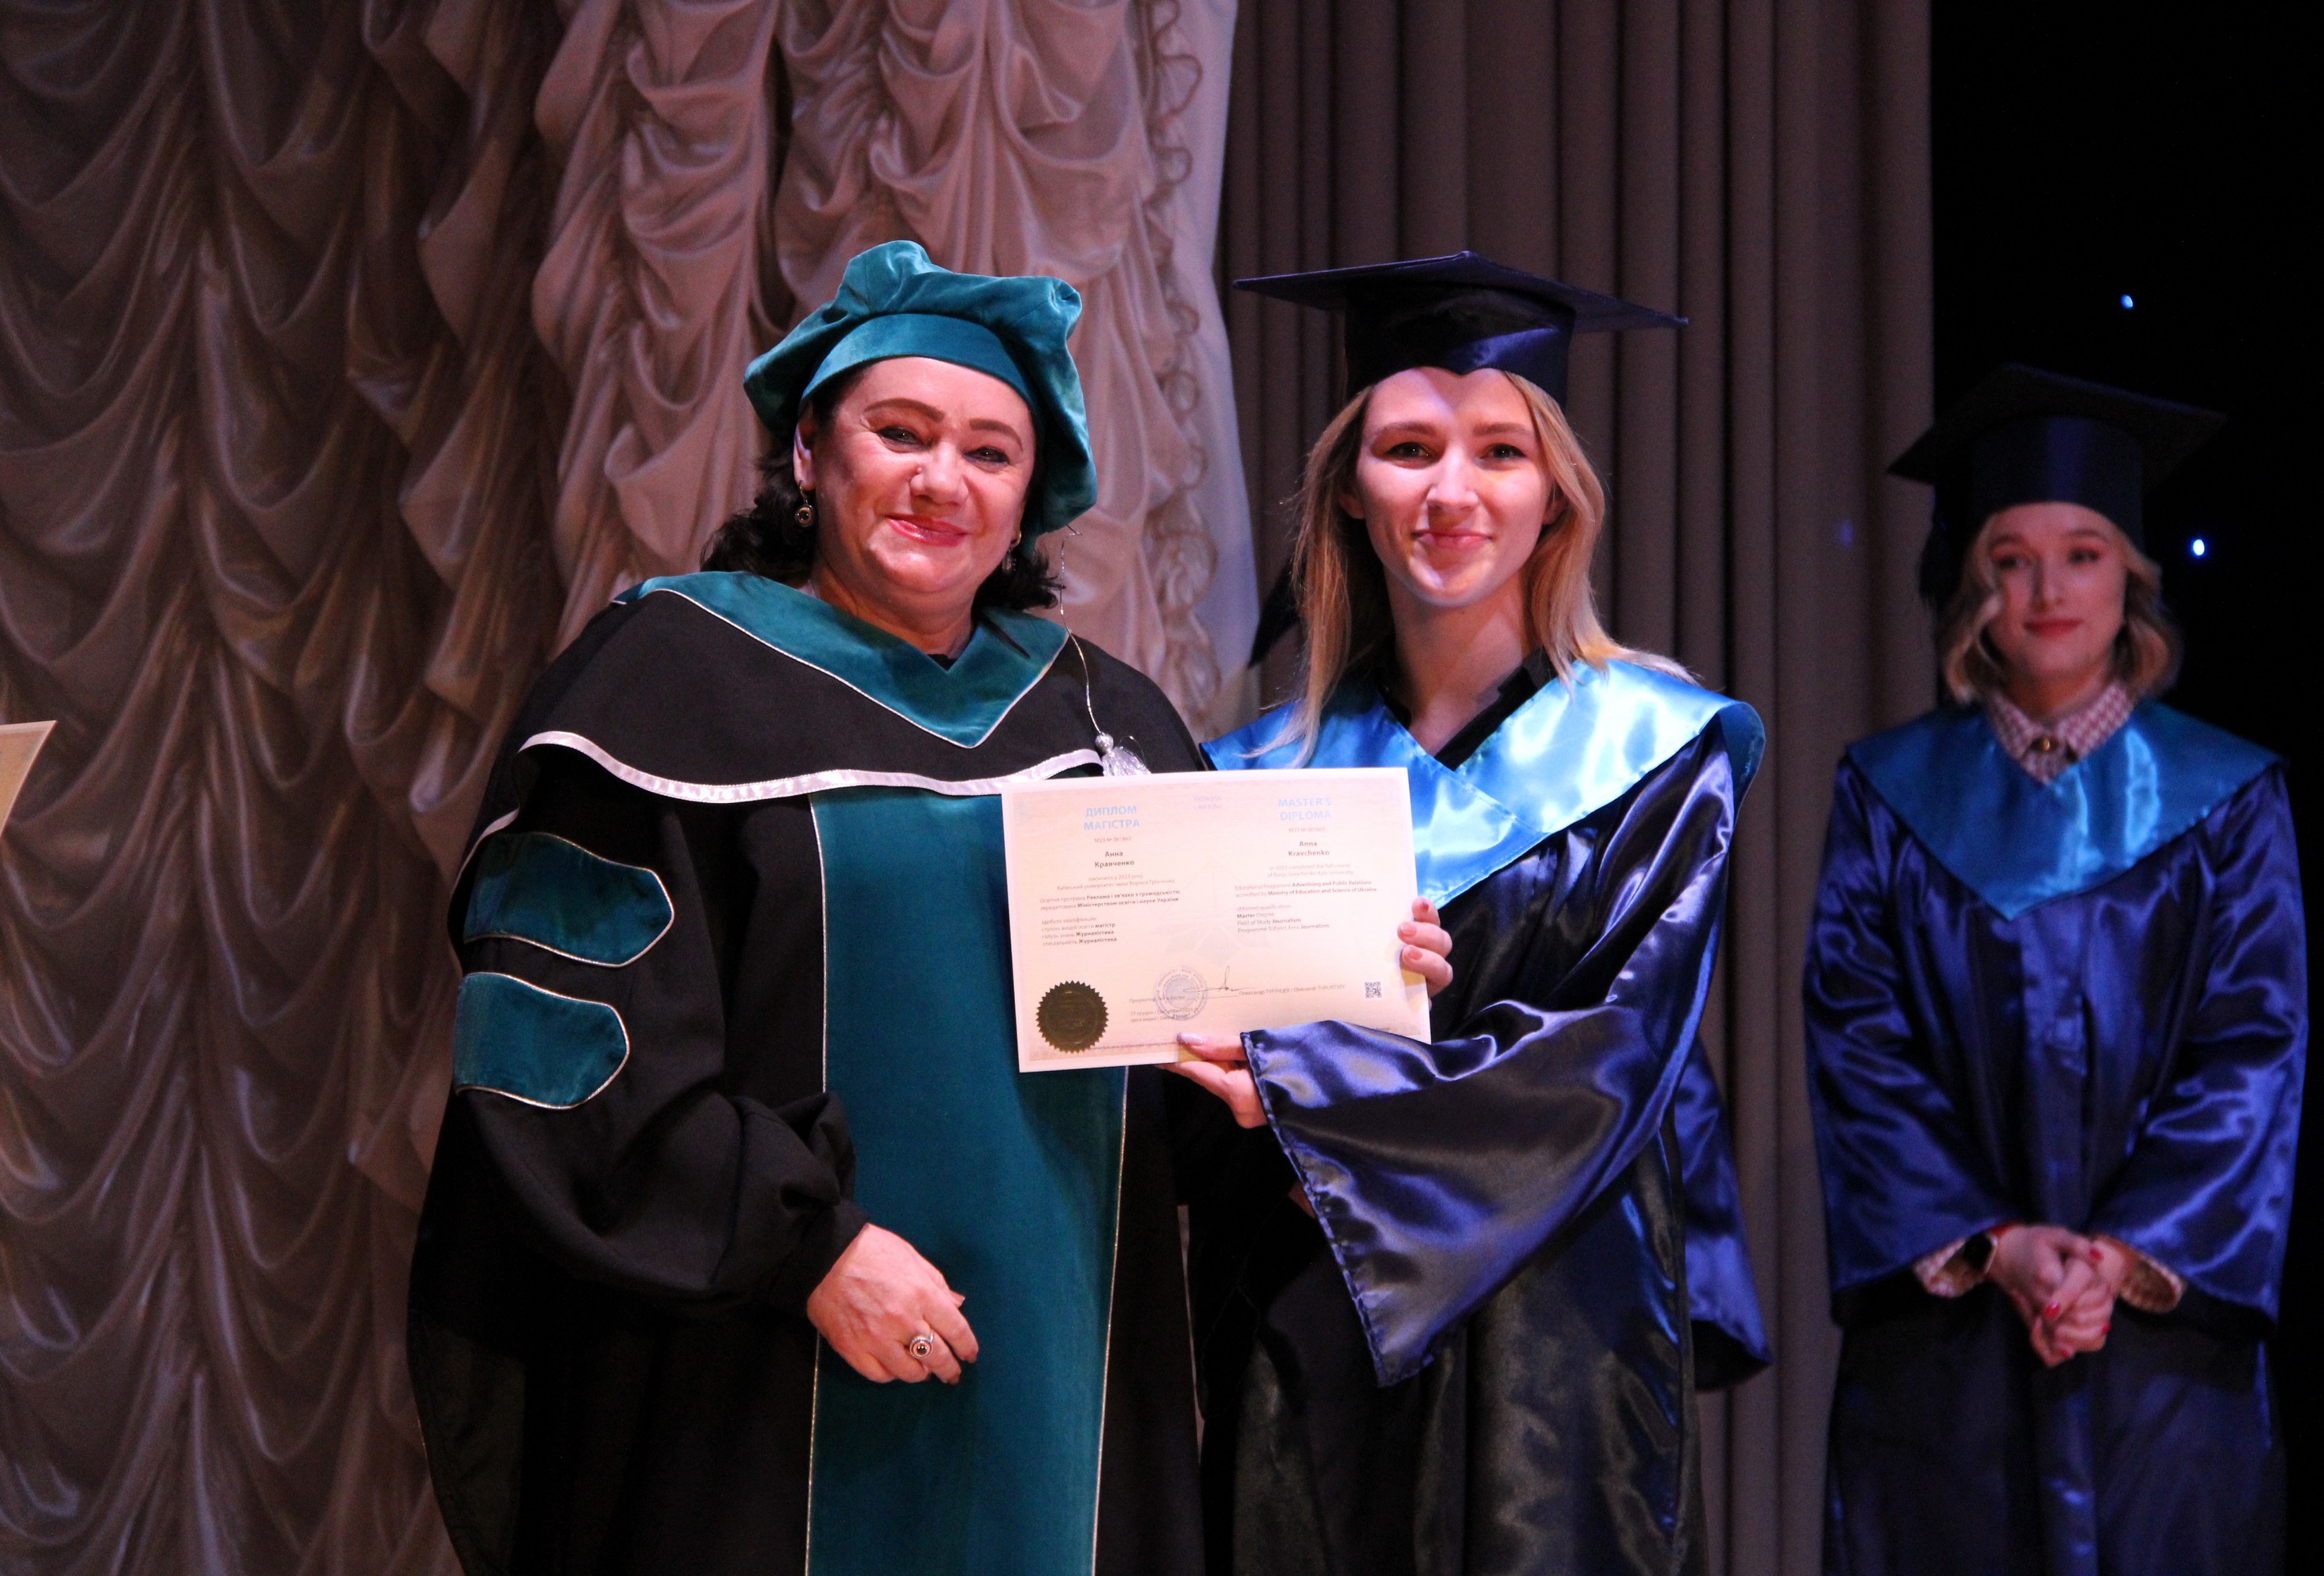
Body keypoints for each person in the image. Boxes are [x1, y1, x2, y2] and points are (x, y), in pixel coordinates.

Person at [407, 240, 1455, 1576]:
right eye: (899, 433)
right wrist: (808, 1251)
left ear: (1029, 500)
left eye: (989, 452)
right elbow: (566, 1055)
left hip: (1063, 1376)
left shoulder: (1104, 719)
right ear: (808, 454)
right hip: (759, 1370)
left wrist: (1328, 1017)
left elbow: (1185, 1086)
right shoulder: (669, 681)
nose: (941, 480)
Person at [1168, 254, 1769, 1576]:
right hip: (1314, 1327)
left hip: (1562, 1341)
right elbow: (1188, 1116)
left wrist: (1312, 1086)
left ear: (1557, 496)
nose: (1452, 491)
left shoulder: (1659, 756)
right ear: (1349, 489)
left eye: (1501, 451)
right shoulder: (1247, 780)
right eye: (1407, 450)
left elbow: (1609, 1063)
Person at [1804, 364, 2305, 1576]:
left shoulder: (2227, 797)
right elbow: (1857, 1043)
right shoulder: (1889, 794)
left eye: (2082, 555)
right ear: (1974, 585)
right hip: (1951, 1341)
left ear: (2130, 577)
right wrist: (1999, 1245)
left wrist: (2120, 1258)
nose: (2046, 590)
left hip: (2161, 1352)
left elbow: (2251, 1050)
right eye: (2012, 558)